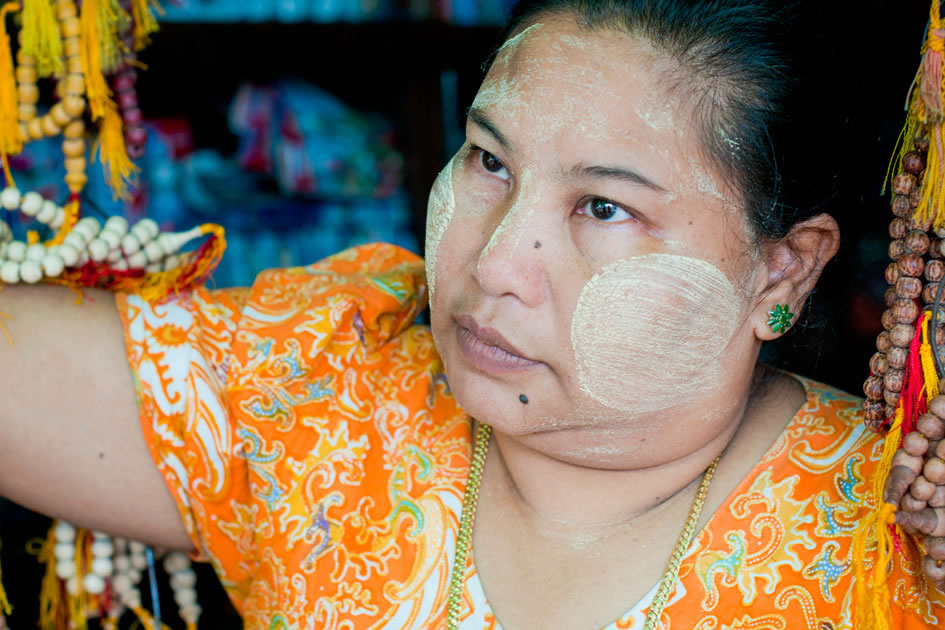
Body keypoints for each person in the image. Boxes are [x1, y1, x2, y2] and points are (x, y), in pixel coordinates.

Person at [0, 0, 942, 628]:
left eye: (602, 209)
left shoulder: (901, 531)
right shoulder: (328, 398)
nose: (494, 264)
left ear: (783, 269)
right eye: (490, 163)